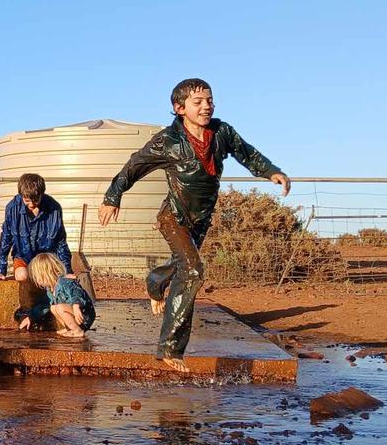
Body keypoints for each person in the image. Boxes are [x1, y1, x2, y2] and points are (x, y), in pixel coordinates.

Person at [98, 78, 290, 372]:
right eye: (198, 102)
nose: (206, 106)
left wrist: (271, 172)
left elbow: (247, 153)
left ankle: (154, 282)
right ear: (179, 108)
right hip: (173, 217)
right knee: (193, 270)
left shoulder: (221, 132)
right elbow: (133, 167)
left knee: (181, 266)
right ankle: (169, 348)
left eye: (210, 100)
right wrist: (113, 197)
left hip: (201, 220)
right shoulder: (168, 142)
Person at [0, 173, 72, 282]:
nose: (31, 204)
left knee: (48, 279)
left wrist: (67, 271)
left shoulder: (54, 209)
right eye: (27, 201)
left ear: (41, 194)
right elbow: (6, 237)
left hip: (46, 256)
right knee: (22, 276)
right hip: (23, 255)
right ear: (21, 196)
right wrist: (0, 269)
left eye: (35, 200)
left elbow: (60, 242)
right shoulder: (12, 208)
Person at [27, 252, 95, 338]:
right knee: (53, 307)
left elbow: (77, 293)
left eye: (38, 277)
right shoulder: (50, 289)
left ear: (47, 273)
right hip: (75, 313)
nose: (37, 280)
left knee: (59, 307)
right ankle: (70, 328)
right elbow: (44, 307)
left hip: (83, 314)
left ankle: (77, 331)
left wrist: (76, 306)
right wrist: (30, 317)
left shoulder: (64, 282)